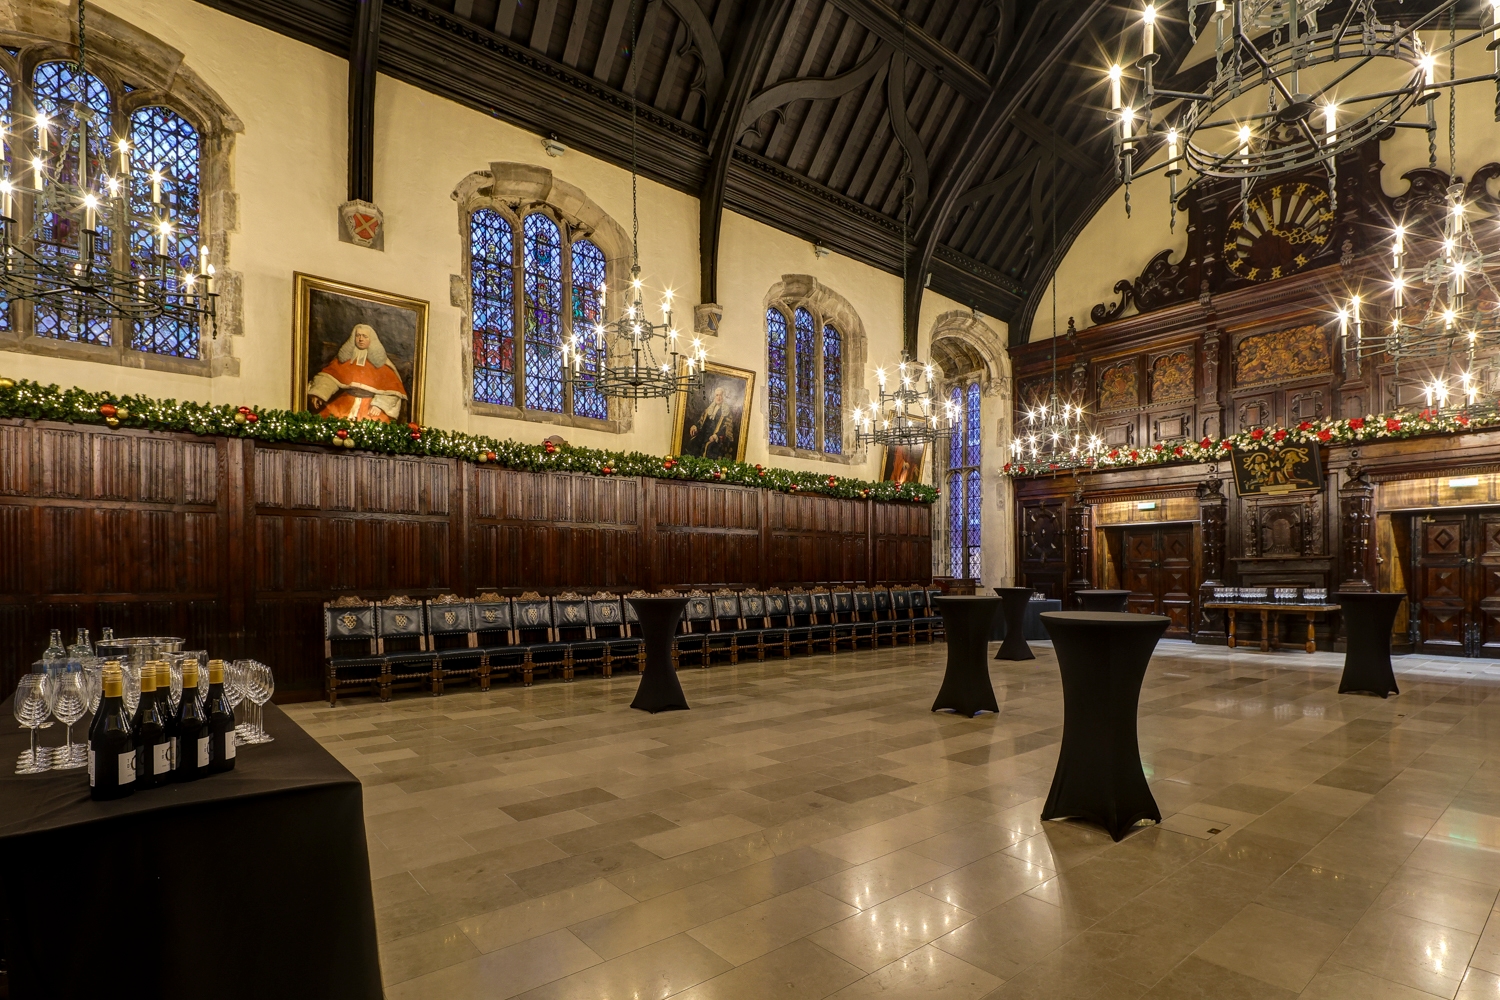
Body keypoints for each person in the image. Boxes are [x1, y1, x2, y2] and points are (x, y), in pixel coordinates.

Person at [307, 323, 407, 422]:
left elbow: (392, 389)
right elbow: (330, 376)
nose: (360, 339)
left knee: (373, 425)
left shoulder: (381, 364)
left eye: (364, 336)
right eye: (358, 335)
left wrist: (379, 405)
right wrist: (319, 393)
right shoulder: (346, 359)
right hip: (346, 400)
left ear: (371, 340)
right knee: (330, 421)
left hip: (371, 405)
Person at [687, 384, 738, 459]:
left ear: (723, 397)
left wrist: (716, 436)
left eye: (720, 395)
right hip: (704, 435)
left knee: (709, 447)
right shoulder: (709, 409)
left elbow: (726, 429)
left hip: (715, 438)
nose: (719, 397)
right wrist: (695, 426)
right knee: (692, 443)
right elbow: (701, 422)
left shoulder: (726, 411)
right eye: (717, 395)